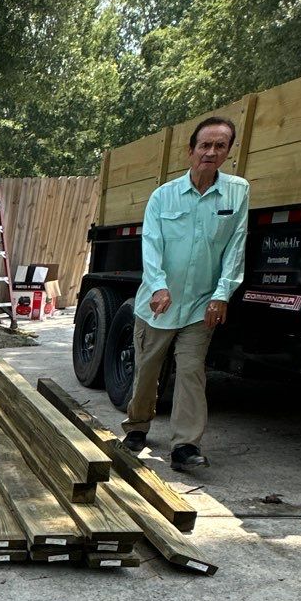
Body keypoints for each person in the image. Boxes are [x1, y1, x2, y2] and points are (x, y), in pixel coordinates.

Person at [121, 117, 249, 472]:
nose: (211, 152)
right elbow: (151, 245)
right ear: (190, 150)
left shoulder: (237, 192)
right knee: (148, 370)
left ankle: (185, 444)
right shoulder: (164, 196)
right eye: (205, 145)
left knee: (192, 371)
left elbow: (235, 247)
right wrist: (159, 284)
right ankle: (137, 426)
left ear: (228, 151)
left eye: (219, 146)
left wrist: (222, 294)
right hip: (159, 303)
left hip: (200, 303)